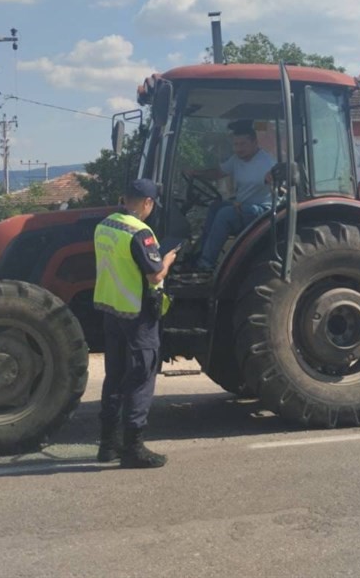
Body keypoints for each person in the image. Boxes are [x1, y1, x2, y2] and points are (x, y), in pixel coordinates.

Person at [93, 178, 177, 468]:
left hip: (111, 310)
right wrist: (167, 260)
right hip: (138, 314)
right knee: (142, 376)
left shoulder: (104, 225)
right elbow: (154, 276)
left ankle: (107, 444)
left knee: (114, 376)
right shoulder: (140, 232)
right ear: (147, 203)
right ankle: (133, 448)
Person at [187, 120, 275, 271]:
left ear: (255, 142)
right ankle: (202, 253)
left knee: (225, 214)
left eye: (243, 144)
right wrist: (196, 173)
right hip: (242, 207)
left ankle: (205, 264)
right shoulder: (236, 160)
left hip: (262, 212)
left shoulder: (268, 163)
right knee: (216, 207)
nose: (238, 149)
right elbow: (218, 173)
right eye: (236, 144)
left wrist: (274, 180)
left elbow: (282, 187)